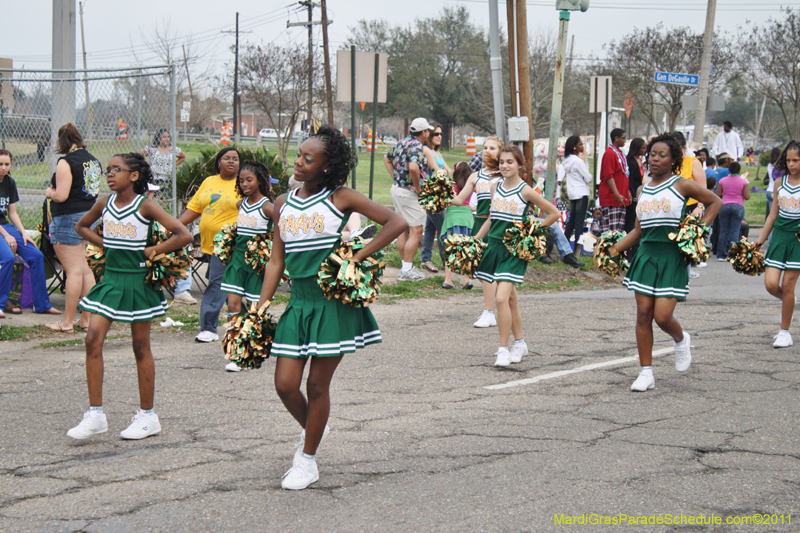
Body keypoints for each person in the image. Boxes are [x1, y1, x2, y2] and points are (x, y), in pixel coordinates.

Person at [257, 125, 407, 490]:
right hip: (298, 302)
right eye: (299, 155)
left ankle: (307, 461)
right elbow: (276, 260)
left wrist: (356, 256)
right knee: (284, 385)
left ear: (326, 166)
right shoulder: (283, 202)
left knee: (316, 384)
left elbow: (396, 222)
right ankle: (315, 427)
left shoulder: (340, 197)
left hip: (331, 303)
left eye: (308, 159)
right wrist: (260, 305)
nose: (299, 162)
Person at [68, 153, 192, 440]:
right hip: (111, 279)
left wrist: (153, 250)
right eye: (108, 170)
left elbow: (183, 234)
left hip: (138, 282)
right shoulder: (104, 203)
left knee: (140, 346)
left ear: (134, 176)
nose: (110, 174)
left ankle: (148, 417)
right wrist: (104, 243)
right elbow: (81, 227)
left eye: (117, 169)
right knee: (92, 339)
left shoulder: (145, 205)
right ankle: (95, 415)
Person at [614, 133, 721, 391]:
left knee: (662, 317)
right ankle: (646, 372)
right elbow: (638, 231)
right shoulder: (641, 190)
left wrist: (698, 231)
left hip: (672, 256)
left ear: (674, 159)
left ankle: (681, 339)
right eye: (652, 154)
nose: (655, 159)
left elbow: (715, 202)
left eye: (662, 155)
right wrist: (613, 249)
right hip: (646, 256)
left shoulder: (682, 185)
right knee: (643, 314)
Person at [473, 145, 559, 367]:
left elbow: (554, 213)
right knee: (510, 299)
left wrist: (532, 233)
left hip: (513, 251)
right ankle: (520, 343)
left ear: (520, 164)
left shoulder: (525, 190)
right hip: (494, 247)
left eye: (510, 162)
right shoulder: (495, 187)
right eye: (501, 162)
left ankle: (503, 349)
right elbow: (492, 218)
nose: (504, 166)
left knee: (501, 298)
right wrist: (476, 240)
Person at [178, 147, 241, 343]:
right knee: (230, 286)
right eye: (227, 158)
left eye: (235, 159)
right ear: (218, 162)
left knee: (217, 283)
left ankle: (209, 328)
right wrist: (175, 227)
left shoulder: (243, 183)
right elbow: (194, 209)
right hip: (208, 245)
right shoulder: (209, 182)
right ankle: (244, 325)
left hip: (230, 245)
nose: (231, 161)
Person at [44, 123, 102, 333]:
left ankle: (67, 322)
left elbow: (61, 195)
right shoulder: (93, 161)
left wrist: (49, 192)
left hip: (68, 218)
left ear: (63, 142)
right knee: (85, 270)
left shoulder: (66, 162)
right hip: (89, 216)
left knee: (73, 271)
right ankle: (86, 319)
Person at [220, 161, 276, 372]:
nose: (244, 184)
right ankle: (237, 352)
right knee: (233, 305)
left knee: (255, 309)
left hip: (256, 266)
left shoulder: (267, 206)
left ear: (260, 181)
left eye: (249, 180)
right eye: (241, 180)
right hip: (237, 261)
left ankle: (254, 347)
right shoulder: (240, 204)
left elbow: (281, 226)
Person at [0, 150, 62, 318]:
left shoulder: (9, 182)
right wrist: (6, 236)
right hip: (2, 230)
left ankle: (41, 304)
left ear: (11, 164)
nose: (3, 168)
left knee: (36, 256)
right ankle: (1, 303)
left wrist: (23, 233)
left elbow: (12, 213)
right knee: (8, 258)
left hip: (5, 226)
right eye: (0, 164)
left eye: (6, 164)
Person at [451, 136, 504, 327]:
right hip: (479, 223)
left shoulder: (503, 176)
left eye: (492, 148)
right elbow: (459, 200)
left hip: (495, 225)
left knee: (487, 270)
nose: (487, 151)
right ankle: (497, 308)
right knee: (482, 271)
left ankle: (489, 312)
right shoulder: (475, 176)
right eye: (485, 147)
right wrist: (438, 193)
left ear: (500, 151)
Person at [141, 129, 194, 305]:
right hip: (155, 180)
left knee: (181, 247)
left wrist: (173, 167)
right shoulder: (152, 149)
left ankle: (182, 290)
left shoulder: (174, 150)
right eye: (163, 136)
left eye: (167, 136)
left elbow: (183, 156)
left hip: (167, 181)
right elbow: (140, 154)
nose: (166, 139)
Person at [756, 141, 800, 348]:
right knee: (771, 284)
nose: (791, 164)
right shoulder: (779, 182)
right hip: (779, 237)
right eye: (788, 160)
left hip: (797, 239)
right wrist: (759, 242)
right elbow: (772, 215)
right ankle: (790, 301)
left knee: (788, 285)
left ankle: (784, 332)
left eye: (796, 160)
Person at [384, 117, 433, 281]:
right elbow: (413, 167)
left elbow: (387, 159)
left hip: (397, 190)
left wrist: (396, 178)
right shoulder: (417, 146)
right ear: (423, 132)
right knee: (416, 230)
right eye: (428, 131)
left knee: (402, 229)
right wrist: (418, 187)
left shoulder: (401, 142)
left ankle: (405, 266)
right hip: (409, 193)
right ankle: (406, 270)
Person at [420, 122, 449, 273]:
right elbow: (438, 171)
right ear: (429, 135)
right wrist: (443, 172)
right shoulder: (426, 149)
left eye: (441, 134)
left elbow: (448, 171)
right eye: (436, 134)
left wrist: (444, 172)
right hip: (432, 194)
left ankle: (426, 259)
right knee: (443, 227)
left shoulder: (437, 152)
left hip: (439, 194)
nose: (439, 137)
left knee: (431, 228)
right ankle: (447, 262)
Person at [441, 161, 475, 290]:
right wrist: (473, 208)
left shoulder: (451, 186)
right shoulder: (471, 186)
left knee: (451, 249)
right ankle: (468, 279)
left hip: (452, 217)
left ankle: (448, 280)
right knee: (467, 248)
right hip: (466, 217)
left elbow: (447, 202)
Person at [562, 136, 593, 256]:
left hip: (572, 193)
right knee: (580, 222)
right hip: (582, 192)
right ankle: (578, 250)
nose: (582, 147)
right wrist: (587, 171)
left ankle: (564, 247)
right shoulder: (579, 162)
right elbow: (589, 178)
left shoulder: (566, 161)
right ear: (574, 147)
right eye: (580, 144)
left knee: (571, 221)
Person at [599, 128, 631, 234]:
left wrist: (627, 192)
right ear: (616, 138)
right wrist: (616, 194)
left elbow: (623, 175)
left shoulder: (620, 153)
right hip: (611, 199)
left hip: (621, 198)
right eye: (623, 138)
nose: (625, 140)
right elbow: (609, 176)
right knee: (610, 233)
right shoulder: (609, 153)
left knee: (618, 232)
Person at [716, 162, 750, 261]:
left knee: (723, 231)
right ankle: (733, 255)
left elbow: (718, 194)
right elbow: (747, 196)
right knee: (734, 231)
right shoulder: (743, 182)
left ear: (729, 170)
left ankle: (721, 255)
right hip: (738, 206)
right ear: (739, 170)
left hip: (724, 205)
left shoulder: (722, 180)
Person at [624, 138, 647, 235]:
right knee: (631, 222)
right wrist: (634, 197)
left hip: (639, 192)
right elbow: (629, 181)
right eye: (643, 148)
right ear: (637, 148)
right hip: (633, 195)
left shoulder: (639, 160)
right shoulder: (631, 161)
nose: (645, 150)